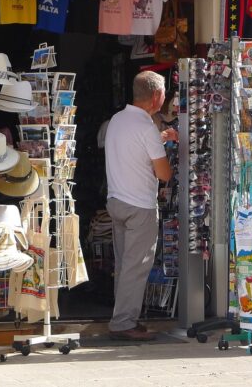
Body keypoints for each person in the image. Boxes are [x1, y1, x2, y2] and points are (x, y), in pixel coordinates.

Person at [104, 71, 178, 341]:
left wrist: (159, 140)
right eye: (164, 93)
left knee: (125, 266)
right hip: (139, 206)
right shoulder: (147, 127)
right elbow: (164, 174)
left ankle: (122, 317)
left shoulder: (117, 120)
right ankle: (123, 322)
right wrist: (164, 146)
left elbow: (132, 150)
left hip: (117, 201)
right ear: (157, 96)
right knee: (136, 267)